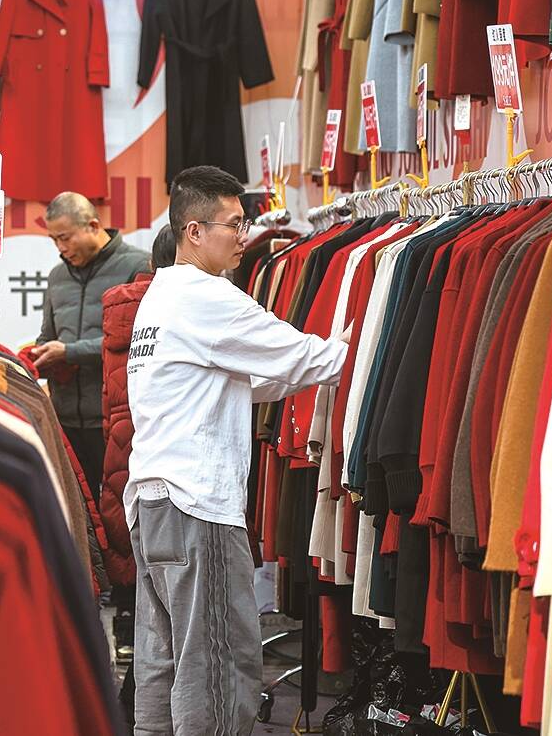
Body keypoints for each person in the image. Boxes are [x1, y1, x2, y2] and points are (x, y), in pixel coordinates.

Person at [125, 166, 352, 735]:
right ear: (194, 231)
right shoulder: (207, 296)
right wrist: (363, 341)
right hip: (198, 506)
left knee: (164, 661)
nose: (244, 236)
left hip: (153, 502)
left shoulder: (161, 297)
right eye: (234, 224)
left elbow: (239, 381)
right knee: (219, 665)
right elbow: (307, 357)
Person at [100, 224, 178, 727]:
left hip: (123, 452)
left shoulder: (122, 308)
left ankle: (137, 713)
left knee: (149, 605)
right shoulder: (184, 308)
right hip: (170, 466)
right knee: (179, 614)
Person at [34, 191, 150, 501]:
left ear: (93, 226)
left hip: (117, 419)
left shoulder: (137, 266)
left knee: (120, 510)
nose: (60, 248)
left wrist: (69, 352)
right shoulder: (57, 276)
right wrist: (41, 354)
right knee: (77, 509)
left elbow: (137, 341)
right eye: (54, 240)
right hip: (65, 418)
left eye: (65, 238)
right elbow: (47, 335)